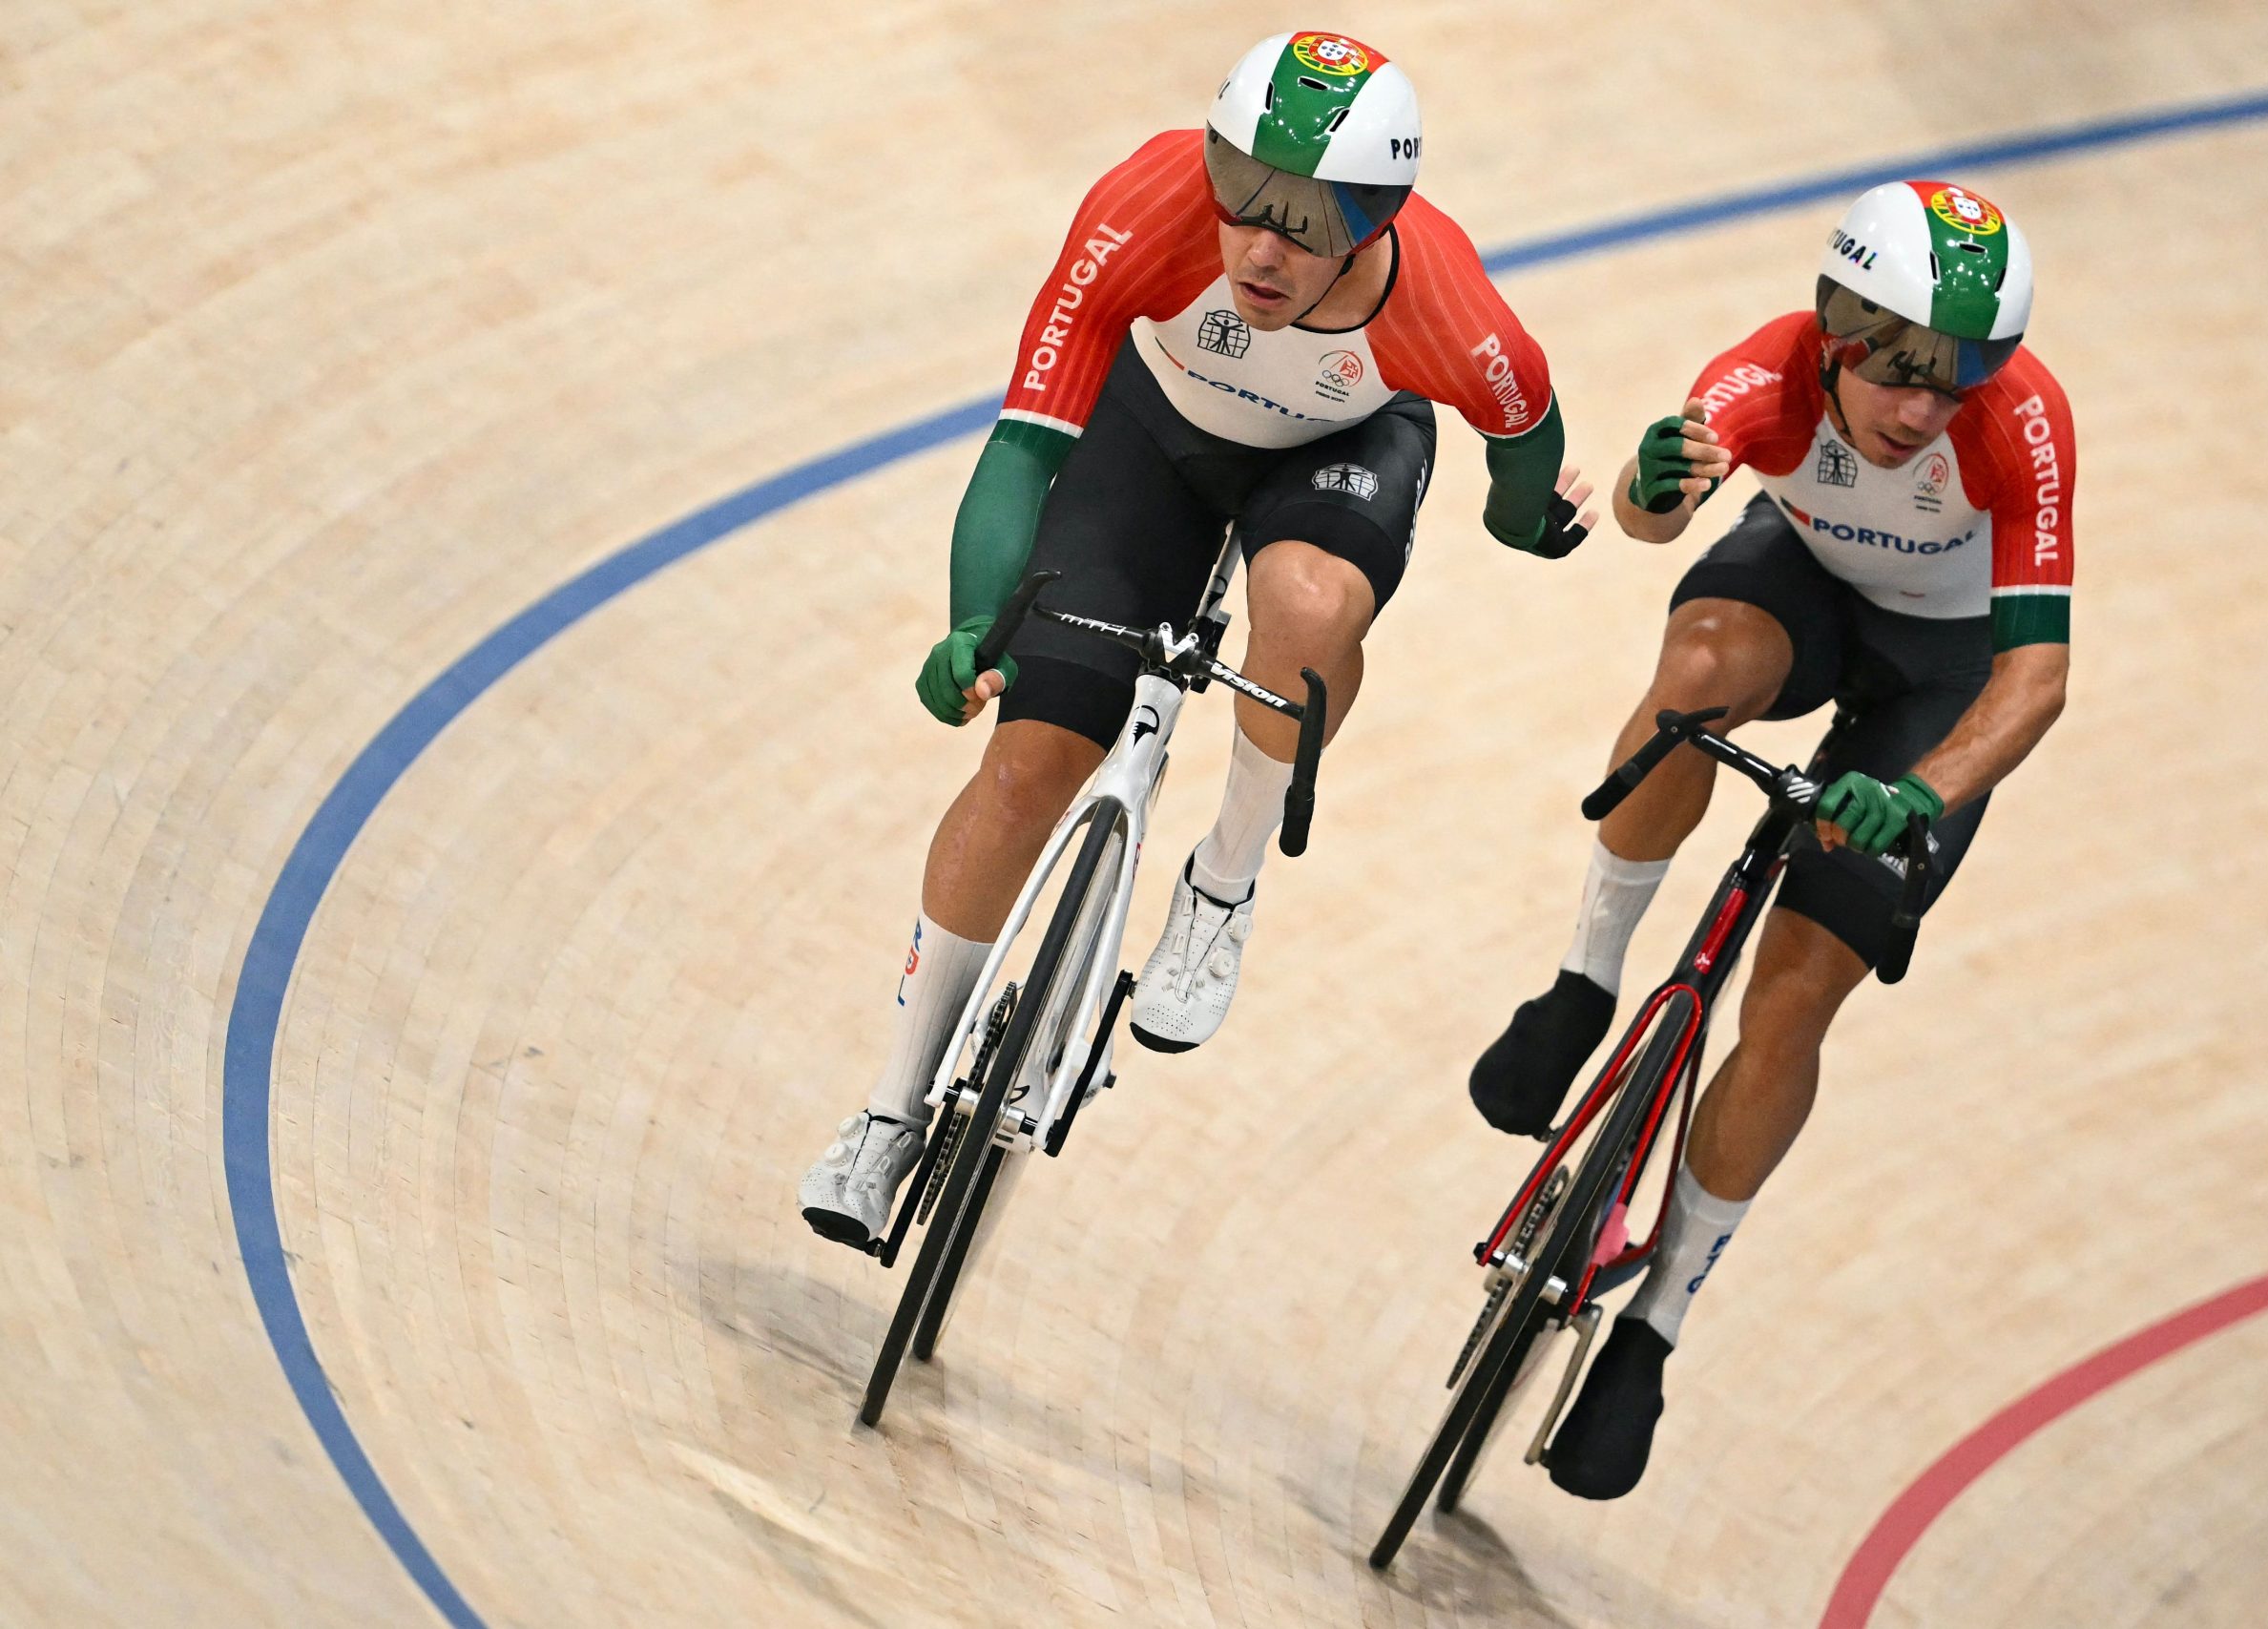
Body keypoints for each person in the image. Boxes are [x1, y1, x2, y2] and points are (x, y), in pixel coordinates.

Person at [801, 31, 1600, 1248]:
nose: (1263, 245)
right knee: (1022, 769)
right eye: (1243, 197)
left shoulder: (1444, 308)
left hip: (1338, 458)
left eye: (1309, 217)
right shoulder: (1143, 207)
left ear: (1377, 220)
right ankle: (889, 1107)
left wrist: (1524, 522)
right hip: (1154, 439)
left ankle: (1223, 877)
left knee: (1310, 604)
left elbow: (1525, 435)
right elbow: (1025, 445)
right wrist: (973, 618)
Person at [1471, 179, 2075, 1497]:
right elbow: (1650, 518)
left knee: (1796, 993)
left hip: (1939, 676)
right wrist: (1648, 480)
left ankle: (1655, 1327)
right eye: (1906, 369)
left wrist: (1926, 789)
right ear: (1838, 325)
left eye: (1963, 376)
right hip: (1801, 586)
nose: (1929, 407)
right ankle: (1583, 984)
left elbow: (2033, 681)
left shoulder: (2024, 429)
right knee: (1693, 673)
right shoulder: (1769, 372)